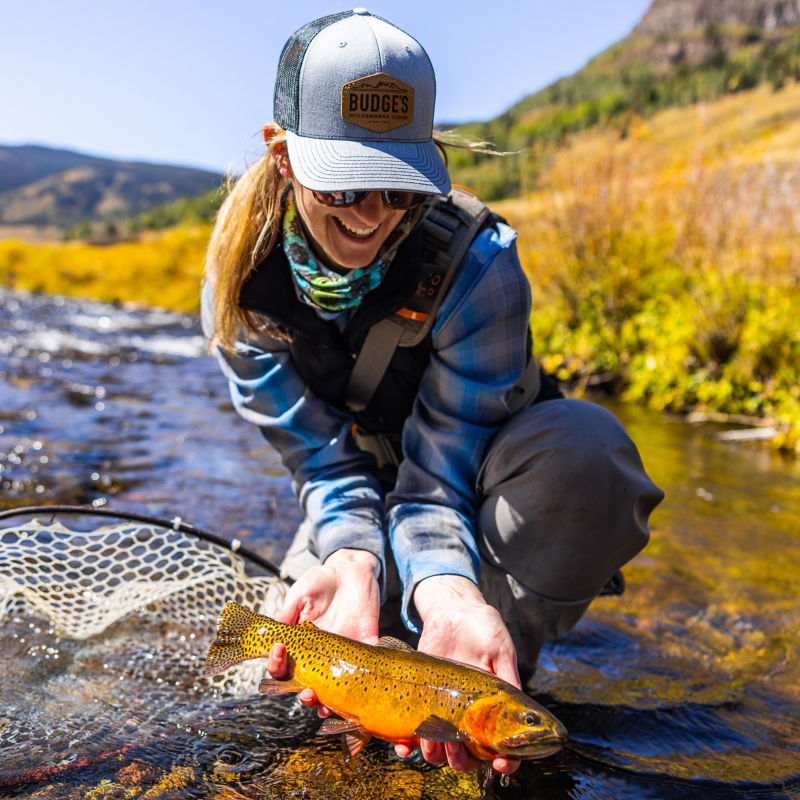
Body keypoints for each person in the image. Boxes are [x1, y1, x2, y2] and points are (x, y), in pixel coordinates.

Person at [201, 8, 663, 777]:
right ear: (282, 157)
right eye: (345, 188)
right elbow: (324, 468)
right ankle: (398, 642)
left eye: (396, 185)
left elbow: (439, 477)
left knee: (590, 454)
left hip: (476, 490)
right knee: (271, 683)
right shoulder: (242, 287)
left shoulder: (480, 267)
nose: (373, 217)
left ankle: (485, 661)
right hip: (356, 499)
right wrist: (352, 559)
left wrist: (448, 596)